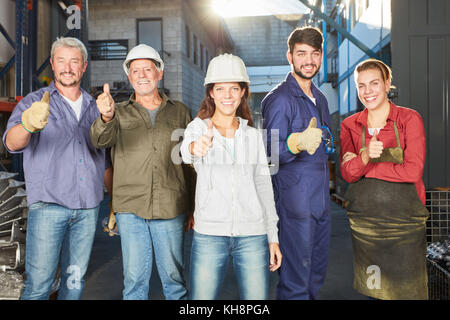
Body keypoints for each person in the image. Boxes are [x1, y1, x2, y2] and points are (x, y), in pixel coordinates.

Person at [3, 37, 105, 300]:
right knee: (39, 286)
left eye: (74, 61)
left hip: (88, 209)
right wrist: (26, 125)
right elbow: (12, 143)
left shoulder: (96, 107)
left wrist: (116, 205)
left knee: (74, 283)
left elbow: (105, 159)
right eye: (61, 61)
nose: (67, 67)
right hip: (49, 207)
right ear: (52, 64)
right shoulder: (35, 101)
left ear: (83, 66)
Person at [90, 44, 194, 300]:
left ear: (160, 73)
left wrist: (193, 206)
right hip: (131, 208)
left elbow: (190, 163)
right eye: (135, 70)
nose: (142, 75)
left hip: (171, 205)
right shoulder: (117, 113)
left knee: (174, 281)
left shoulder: (180, 112)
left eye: (148, 69)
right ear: (129, 77)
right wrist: (105, 116)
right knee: (135, 281)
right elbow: (99, 141)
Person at [180, 53, 282, 300]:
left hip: (253, 234)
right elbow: (186, 151)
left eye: (234, 89)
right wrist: (196, 148)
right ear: (211, 93)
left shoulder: (252, 136)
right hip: (209, 235)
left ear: (243, 92)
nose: (227, 95)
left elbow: (263, 187)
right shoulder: (198, 128)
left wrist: (272, 237)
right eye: (220, 89)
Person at [340, 58, 429, 300]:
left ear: (387, 83)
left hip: (405, 227)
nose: (367, 91)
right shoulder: (350, 125)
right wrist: (367, 155)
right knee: (375, 291)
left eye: (374, 83)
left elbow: (412, 172)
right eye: (361, 85)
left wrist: (365, 165)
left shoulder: (409, 120)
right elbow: (347, 173)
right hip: (367, 229)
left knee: (408, 292)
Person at [261, 27, 332, 300]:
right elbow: (270, 155)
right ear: (289, 56)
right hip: (294, 207)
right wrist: (294, 143)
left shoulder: (321, 98)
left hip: (320, 205)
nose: (309, 60)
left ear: (321, 56)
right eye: (301, 53)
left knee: (315, 278)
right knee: (295, 285)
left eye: (314, 54)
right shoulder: (279, 99)